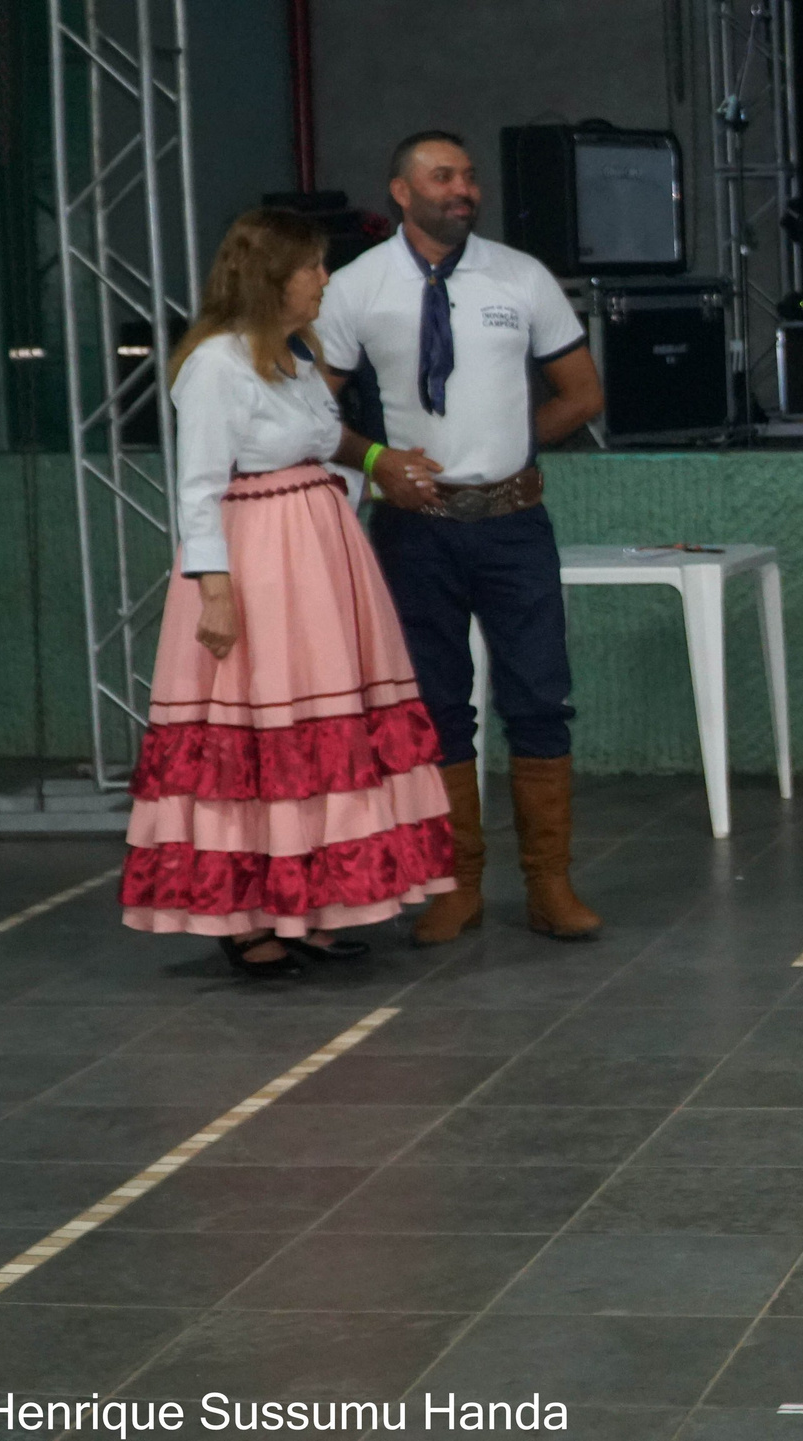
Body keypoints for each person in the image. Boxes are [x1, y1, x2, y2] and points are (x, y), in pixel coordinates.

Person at [120, 208, 456, 977]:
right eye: (312, 267)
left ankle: (306, 902)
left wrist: (365, 472)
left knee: (322, 734)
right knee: (267, 727)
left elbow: (319, 442)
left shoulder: (290, 357)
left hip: (317, 557)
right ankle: (247, 916)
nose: (323, 280)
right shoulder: (216, 365)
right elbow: (199, 488)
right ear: (272, 276)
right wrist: (215, 590)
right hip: (262, 559)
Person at [316, 130, 606, 946]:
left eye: (470, 177)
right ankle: (456, 884)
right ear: (401, 192)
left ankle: (550, 884)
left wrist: (509, 450)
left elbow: (582, 394)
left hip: (514, 522)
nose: (464, 190)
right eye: (443, 177)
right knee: (438, 707)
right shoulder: (357, 286)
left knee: (540, 700)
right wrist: (375, 458)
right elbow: (310, 408)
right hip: (415, 529)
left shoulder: (521, 277)